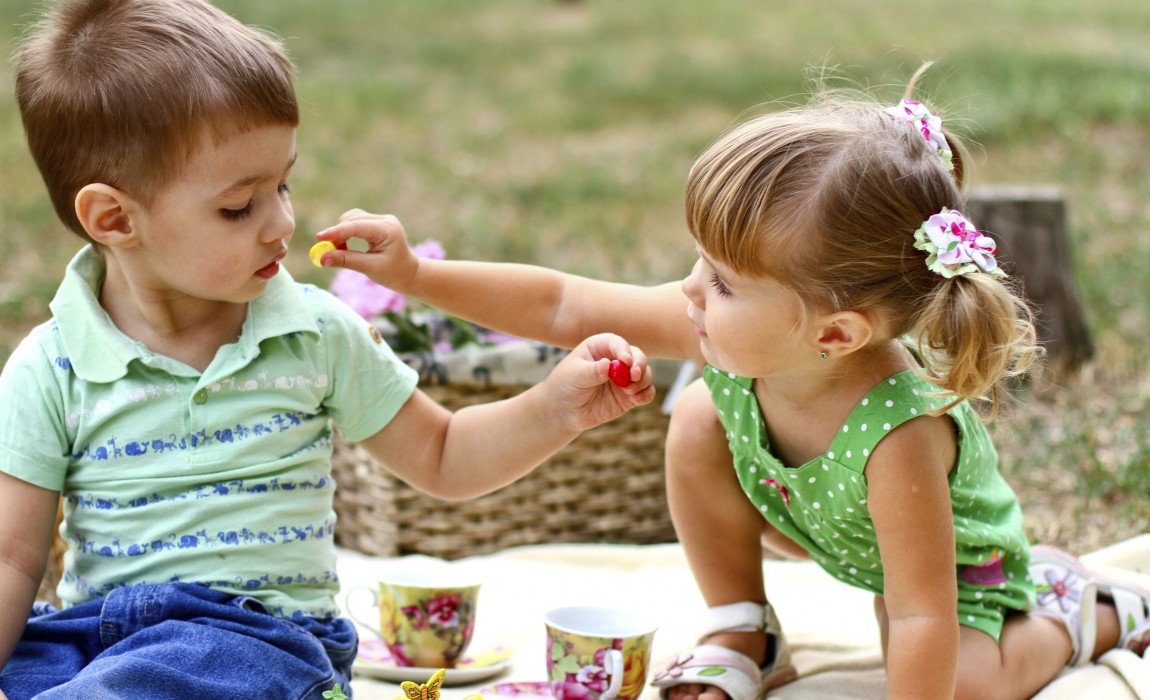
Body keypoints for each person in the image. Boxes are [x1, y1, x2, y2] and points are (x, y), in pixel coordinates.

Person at [314, 66, 1150, 699]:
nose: (689, 290)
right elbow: (563, 302)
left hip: (954, 579)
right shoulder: (733, 333)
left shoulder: (899, 435)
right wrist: (417, 277)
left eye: (721, 280)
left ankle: (1082, 611)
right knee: (699, 415)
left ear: (835, 334)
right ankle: (742, 627)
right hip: (826, 528)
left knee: (959, 680)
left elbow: (923, 612)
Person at [0, 1, 656, 698]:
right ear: (113, 218)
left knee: (160, 672)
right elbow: (12, 558)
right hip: (97, 638)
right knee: (37, 664)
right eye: (239, 206)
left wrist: (555, 408)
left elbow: (443, 454)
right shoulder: (51, 367)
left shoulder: (313, 334)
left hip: (263, 641)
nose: (282, 222)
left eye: (282, 184)